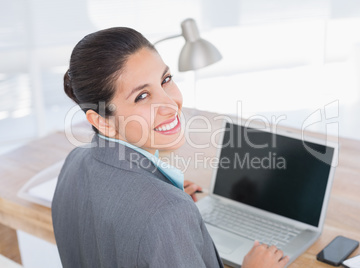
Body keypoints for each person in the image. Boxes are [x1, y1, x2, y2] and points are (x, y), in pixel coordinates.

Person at [52, 27, 289, 268]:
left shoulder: (74, 162)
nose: (170, 104)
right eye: (142, 96)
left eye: (165, 80)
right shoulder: (168, 212)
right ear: (102, 121)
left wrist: (163, 198)